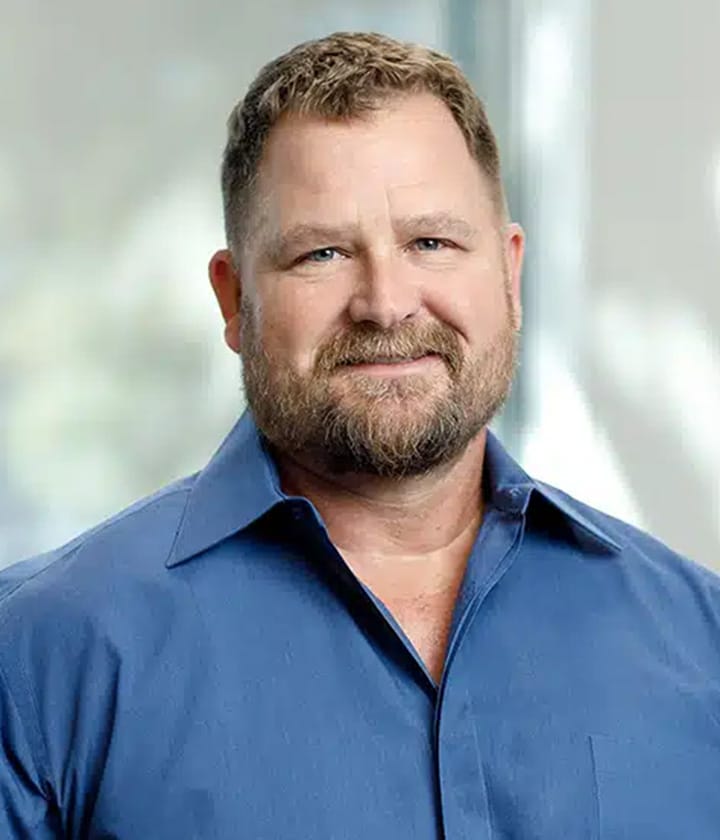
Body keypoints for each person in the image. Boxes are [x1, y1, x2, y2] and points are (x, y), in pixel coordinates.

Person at [1, 30, 718, 839]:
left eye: (432, 243)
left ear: (510, 275)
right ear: (234, 301)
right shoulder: (39, 654)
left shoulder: (703, 642)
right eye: (324, 252)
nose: (386, 301)